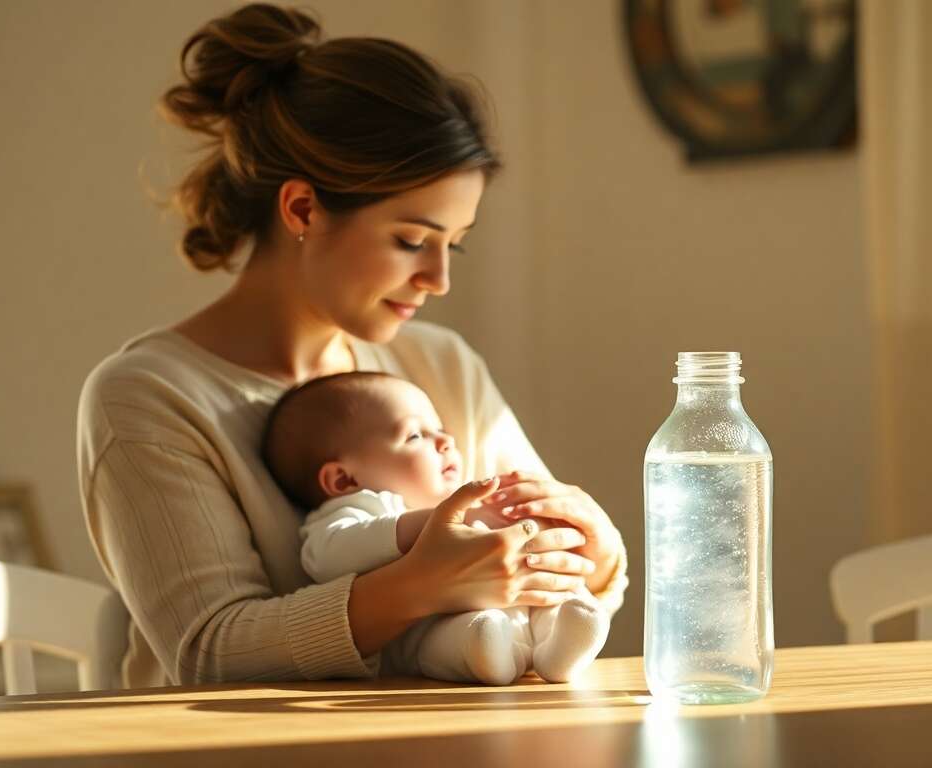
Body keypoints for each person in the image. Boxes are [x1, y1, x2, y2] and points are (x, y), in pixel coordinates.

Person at [76, 2, 627, 688]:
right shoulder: (150, 397)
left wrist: (596, 554)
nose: (439, 279)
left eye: (453, 245)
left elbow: (538, 569)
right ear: (303, 210)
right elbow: (209, 650)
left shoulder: (440, 365)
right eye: (410, 241)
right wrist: (417, 587)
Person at [264, 371, 609, 684]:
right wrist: (426, 524)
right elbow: (327, 557)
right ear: (343, 479)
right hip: (435, 630)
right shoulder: (356, 509)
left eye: (441, 431)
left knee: (562, 596)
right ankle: (491, 652)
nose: (446, 442)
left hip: (522, 602)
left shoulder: (469, 499)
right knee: (452, 641)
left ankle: (562, 643)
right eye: (415, 435)